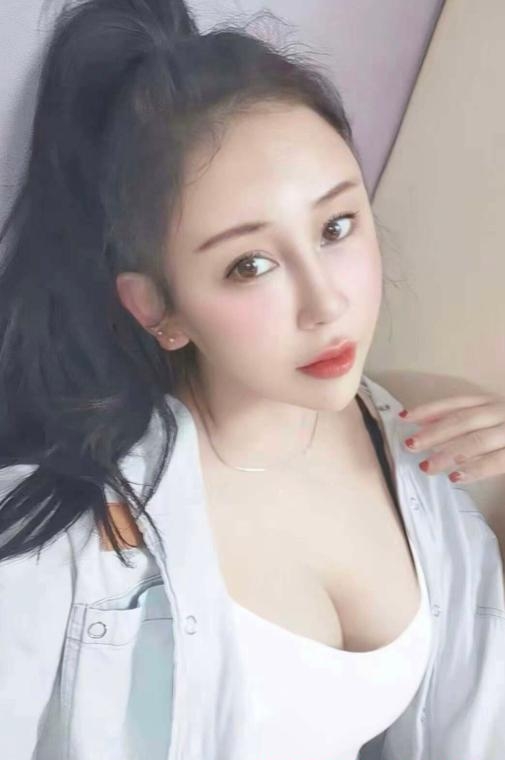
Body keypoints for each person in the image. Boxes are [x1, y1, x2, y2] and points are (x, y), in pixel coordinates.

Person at [0, 0, 504, 758]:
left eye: (336, 227)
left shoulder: (419, 447)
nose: (326, 303)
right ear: (158, 308)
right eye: (250, 265)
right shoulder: (63, 542)